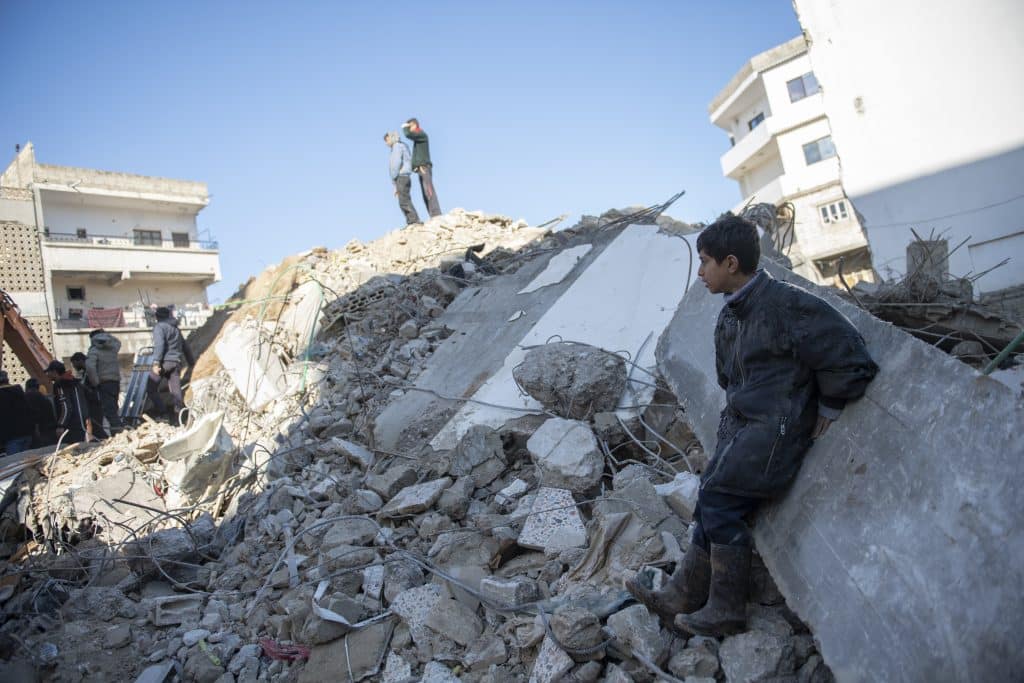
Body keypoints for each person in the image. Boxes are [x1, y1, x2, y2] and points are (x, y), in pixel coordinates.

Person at [626, 215, 878, 637]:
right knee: (710, 495)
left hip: (776, 431)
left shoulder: (787, 305)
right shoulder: (729, 316)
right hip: (743, 427)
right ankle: (683, 594)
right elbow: (730, 379)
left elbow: (852, 359)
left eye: (705, 262)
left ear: (730, 263)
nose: (701, 272)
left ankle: (726, 609)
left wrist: (828, 408)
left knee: (721, 499)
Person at [147, 306, 194, 423]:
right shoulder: (176, 328)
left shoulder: (159, 327)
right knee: (176, 392)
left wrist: (156, 363)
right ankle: (181, 418)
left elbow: (160, 345)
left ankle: (163, 414)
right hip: (176, 363)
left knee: (151, 388)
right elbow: (185, 346)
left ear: (157, 317)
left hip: (164, 363)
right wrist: (191, 362)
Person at [401, 118, 442, 218]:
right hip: (420, 168)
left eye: (410, 126)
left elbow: (408, 135)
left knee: (429, 191)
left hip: (424, 167)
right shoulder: (418, 138)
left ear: (414, 125)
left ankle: (436, 214)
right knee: (425, 194)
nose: (409, 129)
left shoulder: (422, 135)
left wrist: (405, 127)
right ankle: (432, 215)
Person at [85, 328, 123, 435]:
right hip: (115, 382)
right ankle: (117, 432)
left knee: (109, 411)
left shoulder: (94, 350)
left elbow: (90, 368)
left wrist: (95, 382)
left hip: (104, 383)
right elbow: (118, 342)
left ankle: (119, 433)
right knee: (114, 409)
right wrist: (107, 335)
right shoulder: (113, 348)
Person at [45, 360, 91, 445]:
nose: (47, 375)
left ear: (54, 372)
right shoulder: (75, 383)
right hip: (81, 424)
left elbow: (66, 407)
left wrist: (61, 425)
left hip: (71, 427)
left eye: (49, 372)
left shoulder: (61, 385)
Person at [384, 131, 421, 226]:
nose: (386, 143)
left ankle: (414, 221)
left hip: (401, 176)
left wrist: (394, 178)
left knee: (404, 201)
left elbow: (395, 164)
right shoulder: (400, 146)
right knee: (404, 200)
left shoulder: (397, 147)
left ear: (391, 138)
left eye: (387, 140)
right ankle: (412, 221)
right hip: (404, 177)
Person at [70, 352, 108, 439]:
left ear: (79, 361)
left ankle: (105, 440)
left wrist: (82, 386)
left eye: (74, 364)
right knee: (94, 426)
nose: (74, 367)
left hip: (96, 402)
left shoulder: (91, 370)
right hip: (93, 402)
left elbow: (95, 386)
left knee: (97, 426)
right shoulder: (86, 372)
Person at [0, 370, 35, 455]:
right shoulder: (19, 391)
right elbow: (29, 411)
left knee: (15, 464)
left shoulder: (2, 395)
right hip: (27, 434)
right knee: (26, 462)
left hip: (12, 437)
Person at [24, 378, 58, 448]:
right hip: (50, 430)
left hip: (39, 432)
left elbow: (33, 415)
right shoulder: (44, 398)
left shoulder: (27, 397)